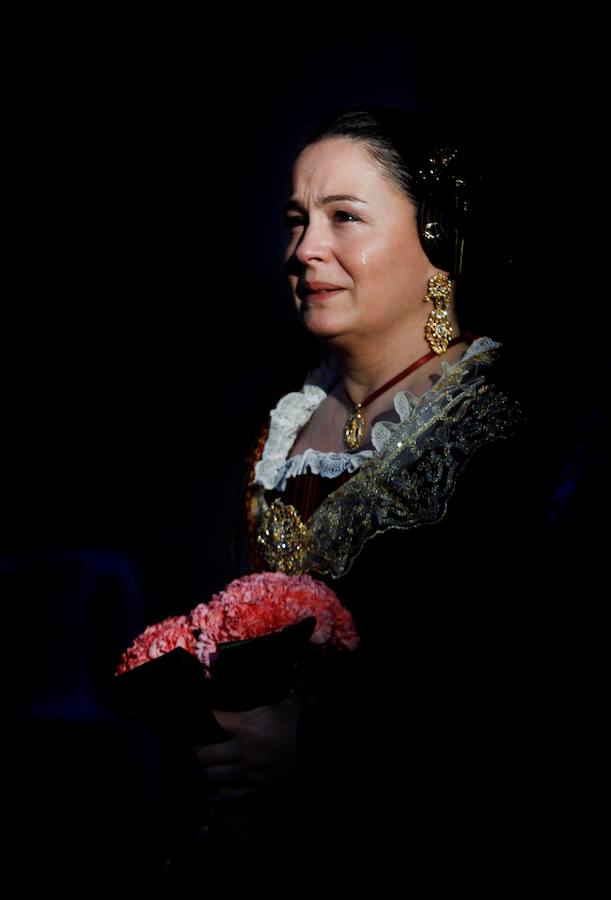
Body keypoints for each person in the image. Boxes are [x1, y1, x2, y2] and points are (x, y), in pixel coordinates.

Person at [176, 106, 546, 879]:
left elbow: (523, 688)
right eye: (295, 219)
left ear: (437, 240)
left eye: (344, 217)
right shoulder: (280, 425)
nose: (304, 248)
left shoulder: (504, 429)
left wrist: (314, 754)